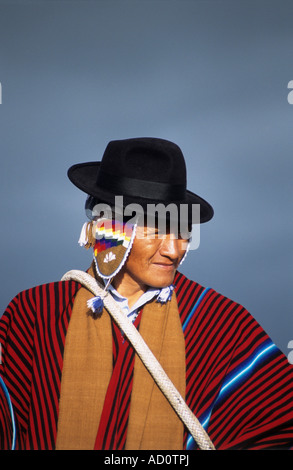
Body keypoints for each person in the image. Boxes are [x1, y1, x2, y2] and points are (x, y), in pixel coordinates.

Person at [0, 137, 293, 450]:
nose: (173, 250)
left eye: (182, 233)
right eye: (156, 231)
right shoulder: (36, 312)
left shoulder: (220, 324)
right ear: (110, 229)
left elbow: (279, 426)